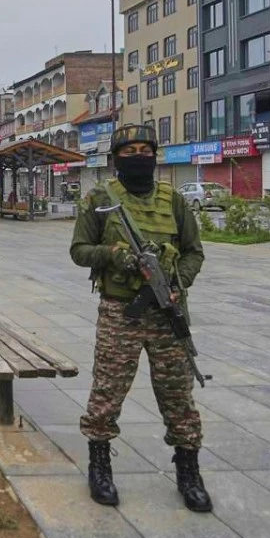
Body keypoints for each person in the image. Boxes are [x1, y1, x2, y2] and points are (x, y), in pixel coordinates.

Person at [69, 123, 211, 512]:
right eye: (128, 152)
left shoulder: (174, 201)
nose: (137, 158)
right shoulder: (99, 198)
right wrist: (113, 254)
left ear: (155, 154)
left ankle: (189, 471)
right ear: (116, 159)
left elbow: (194, 251)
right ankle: (99, 465)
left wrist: (179, 282)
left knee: (178, 395)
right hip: (121, 313)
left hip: (168, 313)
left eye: (144, 150)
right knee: (107, 392)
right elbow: (79, 250)